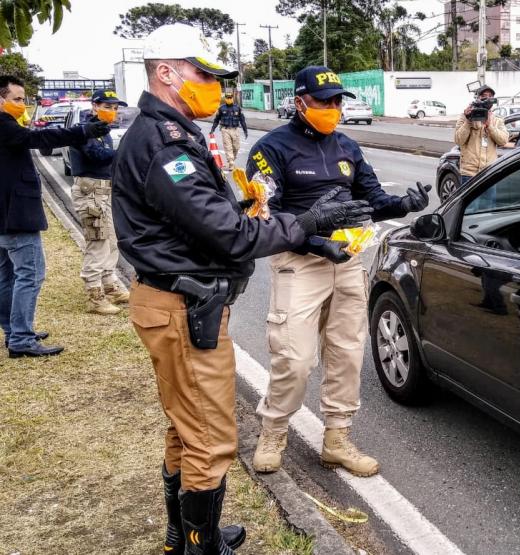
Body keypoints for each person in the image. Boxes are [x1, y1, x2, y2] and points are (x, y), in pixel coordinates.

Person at [111, 25, 372, 555]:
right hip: (184, 307)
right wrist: (306, 224)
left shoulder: (170, 134)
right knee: (210, 436)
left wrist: (256, 212)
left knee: (186, 427)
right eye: (205, 75)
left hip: (182, 303)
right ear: (167, 73)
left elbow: (206, 217)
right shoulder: (165, 144)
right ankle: (202, 546)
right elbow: (228, 235)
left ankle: (185, 536)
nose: (217, 86)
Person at [247, 66, 430, 478]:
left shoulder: (347, 146)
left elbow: (373, 200)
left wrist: (404, 205)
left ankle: (337, 438)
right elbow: (264, 217)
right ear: (299, 102)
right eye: (324, 101)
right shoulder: (271, 149)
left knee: (346, 353)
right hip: (299, 263)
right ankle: (273, 432)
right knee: (294, 359)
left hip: (347, 261)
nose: (333, 108)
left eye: (337, 101)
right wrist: (314, 242)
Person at [0, 75, 110, 357]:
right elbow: (39, 138)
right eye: (16, 99)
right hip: (15, 214)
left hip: (6, 214)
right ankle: (21, 338)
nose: (21, 104)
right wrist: (81, 131)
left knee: (8, 276)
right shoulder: (4, 125)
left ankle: (14, 331)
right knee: (30, 275)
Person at [69, 89, 133, 315]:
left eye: (115, 108)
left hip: (104, 190)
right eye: (107, 107)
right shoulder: (85, 130)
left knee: (111, 240)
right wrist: (124, 150)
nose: (112, 111)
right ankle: (94, 296)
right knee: (97, 242)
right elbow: (97, 156)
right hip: (90, 191)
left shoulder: (103, 130)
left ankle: (110, 285)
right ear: (94, 106)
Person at [454, 85, 509, 184]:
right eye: (483, 96)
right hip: (469, 173)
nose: (487, 99)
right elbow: (458, 140)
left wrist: (490, 126)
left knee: (489, 196)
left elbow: (503, 141)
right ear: (477, 98)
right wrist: (468, 120)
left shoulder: (497, 120)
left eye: (490, 96)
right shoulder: (465, 116)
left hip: (489, 172)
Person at [209, 91, 247, 170]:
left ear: (232, 98)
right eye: (227, 97)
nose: (229, 99)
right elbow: (216, 120)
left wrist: (245, 131)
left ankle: (232, 159)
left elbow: (242, 120)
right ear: (225, 98)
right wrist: (212, 129)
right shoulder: (221, 108)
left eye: (230, 97)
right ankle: (231, 163)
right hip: (225, 130)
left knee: (236, 147)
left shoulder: (238, 108)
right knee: (228, 147)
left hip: (235, 130)